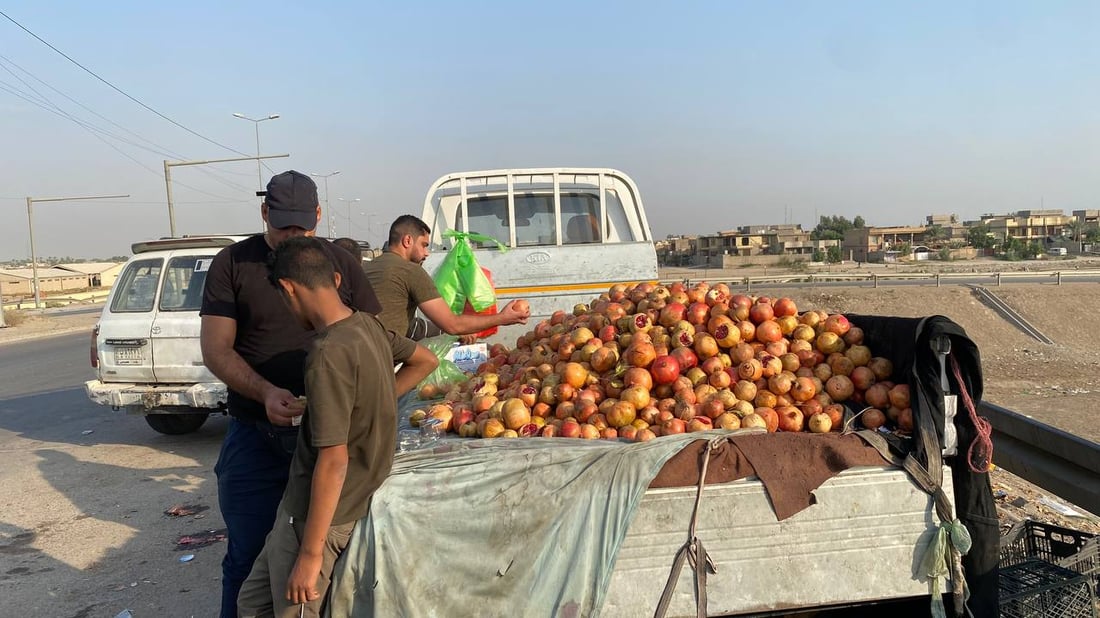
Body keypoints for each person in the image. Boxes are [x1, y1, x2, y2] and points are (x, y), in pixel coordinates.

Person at [200, 170, 382, 618]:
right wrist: (264, 392)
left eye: (303, 226)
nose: (294, 236)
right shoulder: (232, 263)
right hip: (256, 435)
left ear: (318, 215)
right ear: (265, 212)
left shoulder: (340, 263)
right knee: (248, 556)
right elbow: (216, 349)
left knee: (320, 565)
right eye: (284, 226)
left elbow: (375, 337)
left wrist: (363, 409)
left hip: (324, 441)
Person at [237, 236, 436, 618]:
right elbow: (425, 360)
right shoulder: (368, 326)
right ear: (338, 279)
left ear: (287, 289)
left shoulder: (326, 353)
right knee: (252, 604)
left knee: (294, 609)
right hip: (298, 511)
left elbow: (333, 461)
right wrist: (369, 404)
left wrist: (310, 555)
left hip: (317, 519)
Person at [363, 214, 530, 340]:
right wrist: (502, 318)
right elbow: (452, 325)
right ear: (407, 240)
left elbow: (409, 326)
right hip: (382, 351)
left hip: (359, 346)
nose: (427, 253)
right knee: (428, 361)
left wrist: (450, 331)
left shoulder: (368, 267)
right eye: (424, 245)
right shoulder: (410, 271)